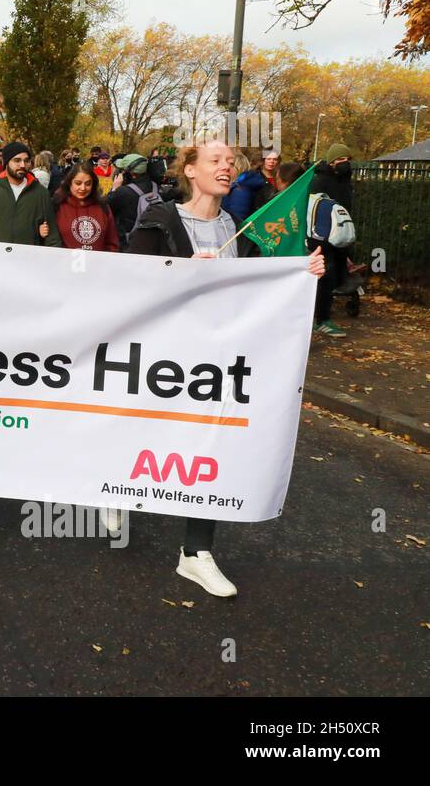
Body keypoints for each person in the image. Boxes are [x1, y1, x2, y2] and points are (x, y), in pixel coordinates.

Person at [127, 140, 325, 597]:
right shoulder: (160, 220)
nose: (227, 166)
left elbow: (256, 285)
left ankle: (196, 553)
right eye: (215, 160)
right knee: (145, 434)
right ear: (190, 171)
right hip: (163, 360)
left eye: (230, 161)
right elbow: (128, 282)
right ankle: (115, 491)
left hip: (216, 364)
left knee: (212, 441)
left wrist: (302, 271)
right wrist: (179, 270)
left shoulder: (236, 224)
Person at [0, 141, 63, 247]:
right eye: (17, 160)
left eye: (26, 161)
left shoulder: (41, 193)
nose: (22, 165)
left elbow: (51, 234)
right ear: (6, 162)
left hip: (28, 258)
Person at [308, 144, 355, 336]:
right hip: (323, 238)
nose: (345, 163)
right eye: (341, 160)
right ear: (332, 162)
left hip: (339, 236)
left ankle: (322, 317)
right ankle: (320, 319)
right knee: (323, 280)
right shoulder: (321, 181)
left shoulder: (345, 182)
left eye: (348, 160)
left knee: (332, 279)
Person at [53, 163, 119, 251]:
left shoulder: (103, 207)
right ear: (69, 183)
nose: (83, 188)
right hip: (66, 263)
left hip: (98, 263)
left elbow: (112, 242)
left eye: (88, 184)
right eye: (78, 183)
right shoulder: (57, 206)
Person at [107, 153, 167, 245]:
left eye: (122, 170)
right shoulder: (157, 188)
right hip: (153, 242)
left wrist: (114, 188)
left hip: (128, 244)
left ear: (130, 173)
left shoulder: (123, 192)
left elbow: (105, 208)